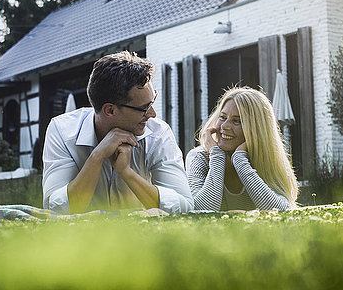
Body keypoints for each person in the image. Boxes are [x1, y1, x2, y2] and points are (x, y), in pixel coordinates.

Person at [42, 51, 193, 214]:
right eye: (144, 108)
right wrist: (97, 156)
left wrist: (126, 172)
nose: (152, 114)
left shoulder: (158, 134)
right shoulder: (62, 131)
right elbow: (55, 210)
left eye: (152, 102)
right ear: (110, 110)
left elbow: (184, 207)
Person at [186, 87, 298, 211]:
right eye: (222, 117)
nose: (224, 126)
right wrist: (216, 156)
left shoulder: (268, 160)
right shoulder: (199, 157)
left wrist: (240, 161)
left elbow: (282, 211)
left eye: (236, 121)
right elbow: (200, 210)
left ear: (256, 130)